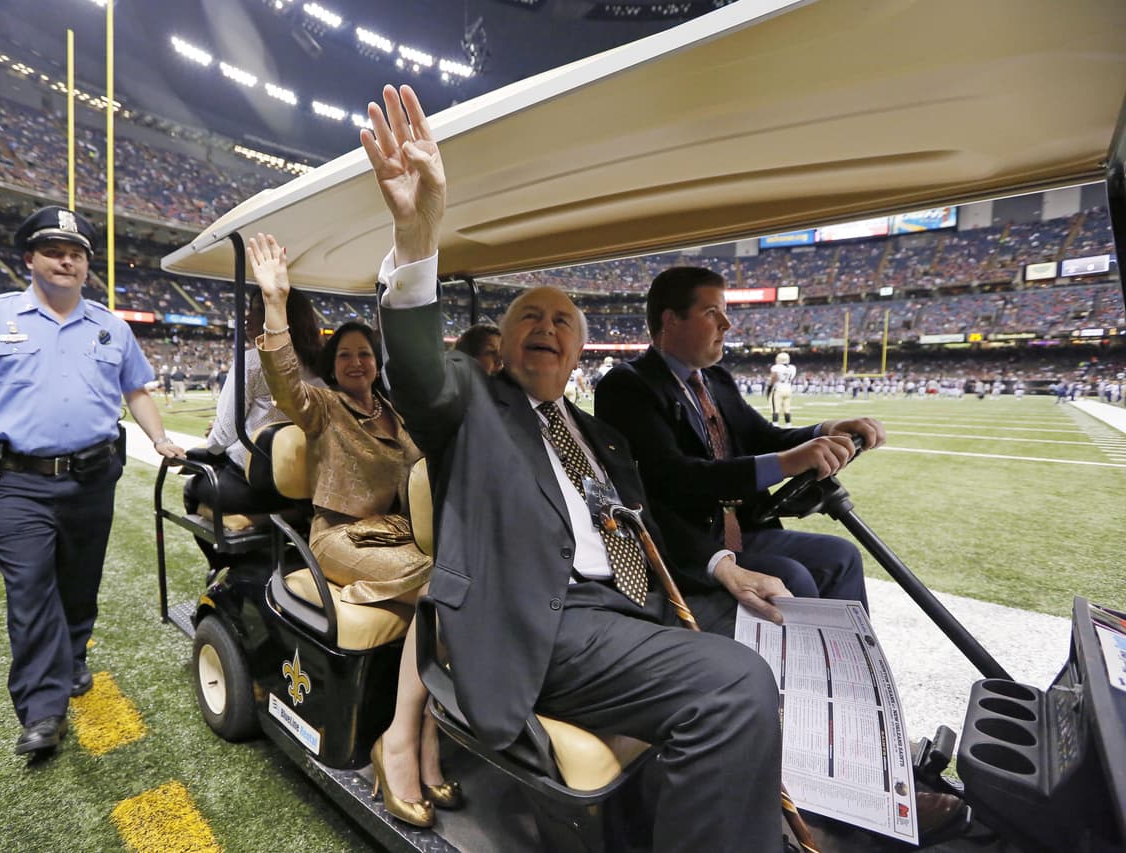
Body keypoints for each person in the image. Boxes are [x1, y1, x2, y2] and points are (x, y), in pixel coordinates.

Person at [365, 84, 783, 851]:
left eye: (563, 320)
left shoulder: (602, 437)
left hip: (630, 614)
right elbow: (421, 373)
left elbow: (647, 532)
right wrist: (418, 237)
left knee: (775, 634)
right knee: (737, 684)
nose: (546, 327)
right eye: (530, 315)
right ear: (505, 340)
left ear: (580, 352)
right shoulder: (473, 405)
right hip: (541, 624)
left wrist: (722, 566)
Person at [0, 205, 186, 757]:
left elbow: (137, 388)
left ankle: (73, 654)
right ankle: (42, 710)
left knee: (79, 582)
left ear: (87, 265)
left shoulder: (110, 327)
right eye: (53, 251)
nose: (66, 261)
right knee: (30, 589)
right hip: (15, 482)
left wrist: (159, 438)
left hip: (93, 477)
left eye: (76, 254)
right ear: (30, 258)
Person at [248, 233, 452, 829]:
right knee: (448, 588)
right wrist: (276, 304)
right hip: (340, 539)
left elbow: (429, 467)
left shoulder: (396, 413)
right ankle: (405, 741)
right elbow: (286, 381)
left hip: (398, 536)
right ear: (333, 367)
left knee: (459, 586)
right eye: (345, 357)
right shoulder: (324, 408)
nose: (357, 363)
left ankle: (427, 738)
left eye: (365, 354)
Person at [596, 266, 876, 609]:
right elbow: (673, 475)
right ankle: (801, 662)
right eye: (712, 312)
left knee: (843, 556)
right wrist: (786, 463)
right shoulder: (628, 386)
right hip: (692, 542)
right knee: (792, 577)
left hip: (743, 530)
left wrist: (825, 431)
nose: (726, 324)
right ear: (671, 320)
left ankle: (847, 661)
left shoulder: (717, 379)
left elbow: (764, 437)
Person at [191, 288, 324, 515]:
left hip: (262, 483)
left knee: (193, 488)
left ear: (284, 317)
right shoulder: (320, 362)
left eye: (259, 310)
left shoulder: (252, 361)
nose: (247, 317)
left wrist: (212, 442)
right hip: (309, 483)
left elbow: (222, 436)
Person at [768, 351, 795, 424]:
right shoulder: (792, 368)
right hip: (788, 388)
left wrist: (769, 388)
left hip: (779, 388)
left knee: (775, 409)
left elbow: (774, 377)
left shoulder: (776, 367)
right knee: (787, 409)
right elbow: (791, 379)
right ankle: (788, 426)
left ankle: (775, 426)